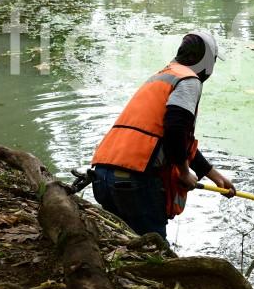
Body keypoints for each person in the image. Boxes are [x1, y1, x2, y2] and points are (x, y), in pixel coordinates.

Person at [91, 31, 236, 239]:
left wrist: (214, 175)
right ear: (207, 61)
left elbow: (168, 137)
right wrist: (184, 172)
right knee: (153, 252)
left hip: (103, 174)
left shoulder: (161, 77)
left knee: (120, 242)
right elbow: (175, 130)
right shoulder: (189, 80)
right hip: (135, 179)